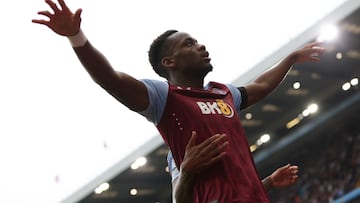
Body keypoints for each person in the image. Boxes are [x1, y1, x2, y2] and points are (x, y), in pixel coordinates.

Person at [32, 0, 324, 202]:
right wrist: (76, 36)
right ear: (169, 61)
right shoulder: (165, 100)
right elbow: (109, 78)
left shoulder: (223, 94)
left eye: (197, 41)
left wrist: (291, 58)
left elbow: (259, 85)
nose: (201, 46)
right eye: (189, 44)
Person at [167, 131, 299, 203]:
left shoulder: (223, 132)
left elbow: (236, 196)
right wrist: (186, 171)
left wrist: (269, 182)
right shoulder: (178, 151)